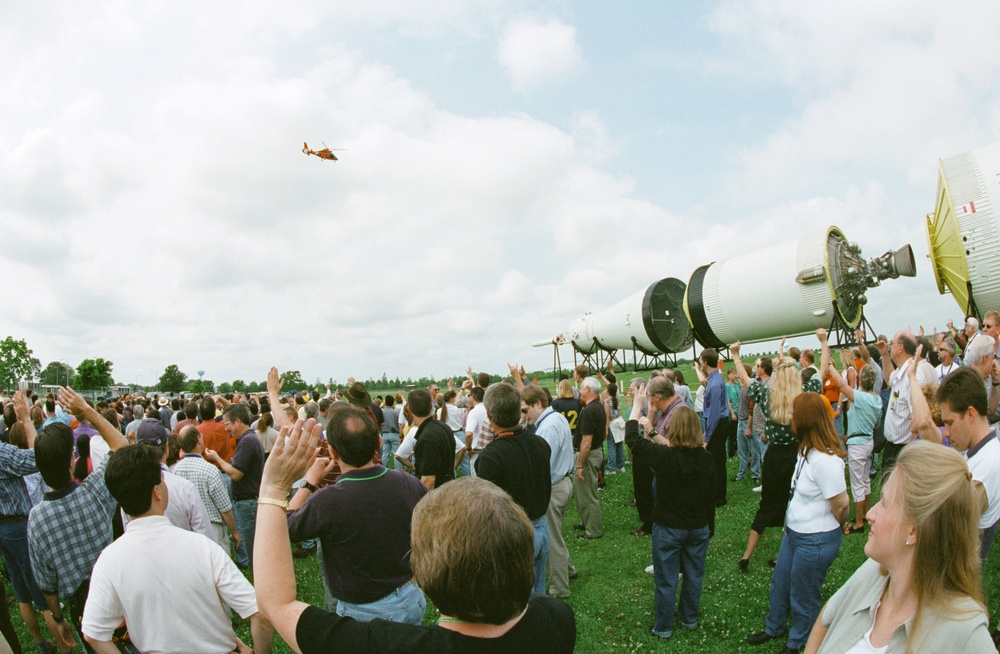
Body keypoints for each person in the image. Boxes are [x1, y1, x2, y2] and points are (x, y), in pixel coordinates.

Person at [254, 419, 576, 653]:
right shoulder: (555, 619)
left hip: (368, 608)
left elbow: (276, 600)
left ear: (429, 570)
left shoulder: (388, 646)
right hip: (409, 597)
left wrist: (283, 487)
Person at [804, 441, 996, 653]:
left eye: (884, 503)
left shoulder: (964, 630)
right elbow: (827, 617)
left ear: (913, 530)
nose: (870, 514)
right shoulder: (874, 571)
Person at [81, 444, 272, 654]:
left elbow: (93, 633)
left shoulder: (109, 560)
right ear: (157, 492)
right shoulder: (202, 547)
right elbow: (260, 614)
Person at [285, 406, 428, 624]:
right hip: (410, 597)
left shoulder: (327, 499)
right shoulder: (407, 481)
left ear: (332, 452)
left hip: (364, 613)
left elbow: (285, 527)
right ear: (376, 444)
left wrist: (309, 482)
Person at [747, 393, 849, 654]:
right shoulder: (806, 450)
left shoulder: (826, 461)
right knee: (780, 583)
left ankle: (798, 641)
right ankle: (775, 627)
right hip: (794, 534)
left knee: (804, 594)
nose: (790, 418)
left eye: (794, 413)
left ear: (805, 420)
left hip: (815, 539)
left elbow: (841, 505)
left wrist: (836, 526)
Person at [626, 386, 715, 642]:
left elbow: (632, 439)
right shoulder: (707, 459)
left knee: (666, 580)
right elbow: (711, 497)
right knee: (694, 575)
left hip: (669, 527)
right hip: (698, 526)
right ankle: (689, 618)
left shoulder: (665, 457)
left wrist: (637, 405)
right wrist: (710, 527)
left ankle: (664, 626)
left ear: (674, 429)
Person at [732, 339, 822, 570]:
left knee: (767, 505)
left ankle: (746, 555)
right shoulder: (804, 396)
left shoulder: (768, 395)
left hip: (773, 458)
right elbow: (820, 375)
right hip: (796, 457)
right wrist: (824, 343)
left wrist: (736, 356)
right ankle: (784, 555)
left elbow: (746, 380)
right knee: (792, 505)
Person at [476, 383, 551, 596]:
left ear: (490, 416)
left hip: (516, 533)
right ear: (519, 411)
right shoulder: (539, 443)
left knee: (517, 600)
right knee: (538, 592)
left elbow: (490, 509)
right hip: (542, 527)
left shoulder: (490, 457)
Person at [822, 330, 883, 534]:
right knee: (865, 480)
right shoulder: (876, 399)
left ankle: (858, 522)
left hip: (858, 444)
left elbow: (841, 384)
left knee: (857, 483)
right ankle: (864, 513)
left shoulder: (860, 397)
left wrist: (829, 364)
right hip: (867, 441)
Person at [937, 366, 1000, 561]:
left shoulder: (985, 468)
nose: (946, 432)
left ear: (970, 414)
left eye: (950, 422)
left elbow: (947, 529)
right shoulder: (980, 453)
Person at [520, 385, 576, 600]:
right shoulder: (555, 419)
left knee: (552, 540)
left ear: (538, 404)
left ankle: (559, 588)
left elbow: (542, 464)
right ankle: (568, 570)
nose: (524, 415)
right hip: (562, 482)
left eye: (526, 410)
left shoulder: (547, 428)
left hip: (553, 486)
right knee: (556, 534)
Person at [204, 403, 264, 570]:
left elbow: (236, 474)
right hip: (247, 501)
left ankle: (261, 586)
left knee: (253, 549)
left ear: (237, 421)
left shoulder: (247, 441)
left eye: (227, 424)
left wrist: (217, 458)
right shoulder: (248, 439)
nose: (225, 428)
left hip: (247, 503)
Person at [174, 426, 242, 550]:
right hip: (212, 527)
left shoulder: (176, 470)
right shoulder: (210, 470)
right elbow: (225, 508)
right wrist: (235, 532)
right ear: (198, 440)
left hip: (188, 528)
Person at [697, 348, 730, 507]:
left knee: (716, 461)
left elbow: (715, 413)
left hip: (718, 424)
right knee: (716, 460)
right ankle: (716, 494)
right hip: (717, 423)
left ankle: (718, 497)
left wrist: (707, 437)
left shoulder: (715, 383)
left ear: (704, 362)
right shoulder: (714, 379)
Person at [575, 377, 605, 540]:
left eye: (581, 387)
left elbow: (587, 440)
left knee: (587, 493)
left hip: (588, 455)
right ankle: (586, 521)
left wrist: (580, 465)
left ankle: (593, 530)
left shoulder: (588, 410)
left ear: (587, 389)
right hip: (593, 452)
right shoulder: (597, 406)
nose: (579, 390)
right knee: (582, 492)